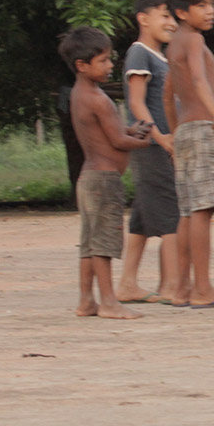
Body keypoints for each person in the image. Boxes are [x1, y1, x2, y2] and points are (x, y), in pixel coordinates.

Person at [59, 27, 152, 319]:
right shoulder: (96, 98)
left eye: (110, 59)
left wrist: (131, 130)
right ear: (81, 66)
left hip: (89, 179)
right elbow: (115, 141)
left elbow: (108, 131)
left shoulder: (83, 94)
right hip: (103, 180)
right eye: (103, 61)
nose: (111, 66)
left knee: (89, 244)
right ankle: (109, 301)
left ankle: (87, 301)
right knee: (103, 244)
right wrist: (144, 141)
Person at [163, 0, 214, 309]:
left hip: (186, 131)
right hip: (202, 126)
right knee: (202, 211)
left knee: (189, 213)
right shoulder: (191, 42)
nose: (210, 12)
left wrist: (176, 134)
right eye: (202, 6)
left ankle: (182, 288)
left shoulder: (173, 44)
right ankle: (203, 288)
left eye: (211, 5)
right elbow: (199, 80)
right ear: (180, 11)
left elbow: (167, 96)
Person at [117, 0, 180, 305]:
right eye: (164, 15)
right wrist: (161, 137)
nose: (171, 23)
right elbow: (137, 103)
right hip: (151, 146)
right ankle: (171, 286)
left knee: (142, 219)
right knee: (171, 216)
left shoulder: (161, 57)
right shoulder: (140, 53)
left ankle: (127, 284)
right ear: (143, 19)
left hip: (159, 144)